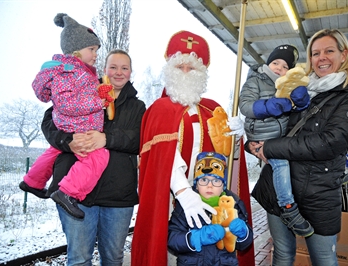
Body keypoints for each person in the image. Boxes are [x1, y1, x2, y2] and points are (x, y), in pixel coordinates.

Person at [250, 28, 348, 265]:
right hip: (278, 187)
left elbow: (328, 143)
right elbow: (278, 126)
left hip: (318, 192)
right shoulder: (303, 90)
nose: (321, 58)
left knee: (324, 259)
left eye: (329, 51)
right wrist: (255, 142)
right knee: (281, 254)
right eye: (315, 52)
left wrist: (269, 148)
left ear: (344, 55)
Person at [131, 30, 252, 266]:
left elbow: (224, 159)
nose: (185, 73)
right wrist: (184, 193)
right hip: (170, 196)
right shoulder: (159, 109)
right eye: (180, 67)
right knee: (170, 244)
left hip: (208, 193)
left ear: (202, 73)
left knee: (210, 250)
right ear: (170, 69)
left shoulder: (212, 110)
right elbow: (162, 156)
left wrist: (235, 135)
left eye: (192, 68)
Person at [41, 48, 146, 265]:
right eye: (113, 67)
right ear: (104, 70)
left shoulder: (138, 107)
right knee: (79, 259)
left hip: (118, 196)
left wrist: (106, 138)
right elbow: (50, 121)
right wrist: (68, 141)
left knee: (113, 258)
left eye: (124, 68)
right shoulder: (82, 89)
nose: (119, 72)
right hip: (76, 195)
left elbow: (140, 140)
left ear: (130, 72)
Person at [19, 13, 113, 219]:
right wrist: (100, 102)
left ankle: (32, 182)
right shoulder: (68, 72)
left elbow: (76, 98)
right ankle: (68, 192)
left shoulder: (77, 72)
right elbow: (67, 104)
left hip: (71, 124)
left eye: (96, 50)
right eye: (92, 49)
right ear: (76, 51)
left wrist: (99, 93)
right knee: (99, 156)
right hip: (77, 126)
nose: (96, 54)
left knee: (53, 151)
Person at [239, 44, 313, 237]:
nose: (279, 68)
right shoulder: (255, 81)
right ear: (268, 63)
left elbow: (295, 110)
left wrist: (301, 102)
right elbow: (245, 106)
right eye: (275, 63)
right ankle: (287, 206)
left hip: (280, 136)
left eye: (285, 67)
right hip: (261, 135)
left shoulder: (287, 86)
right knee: (281, 164)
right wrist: (267, 106)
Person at [168, 151, 253, 265]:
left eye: (216, 180)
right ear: (196, 185)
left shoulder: (234, 204)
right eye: (203, 180)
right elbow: (172, 238)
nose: (210, 185)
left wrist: (244, 233)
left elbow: (243, 244)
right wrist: (195, 238)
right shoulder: (185, 206)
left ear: (223, 185)